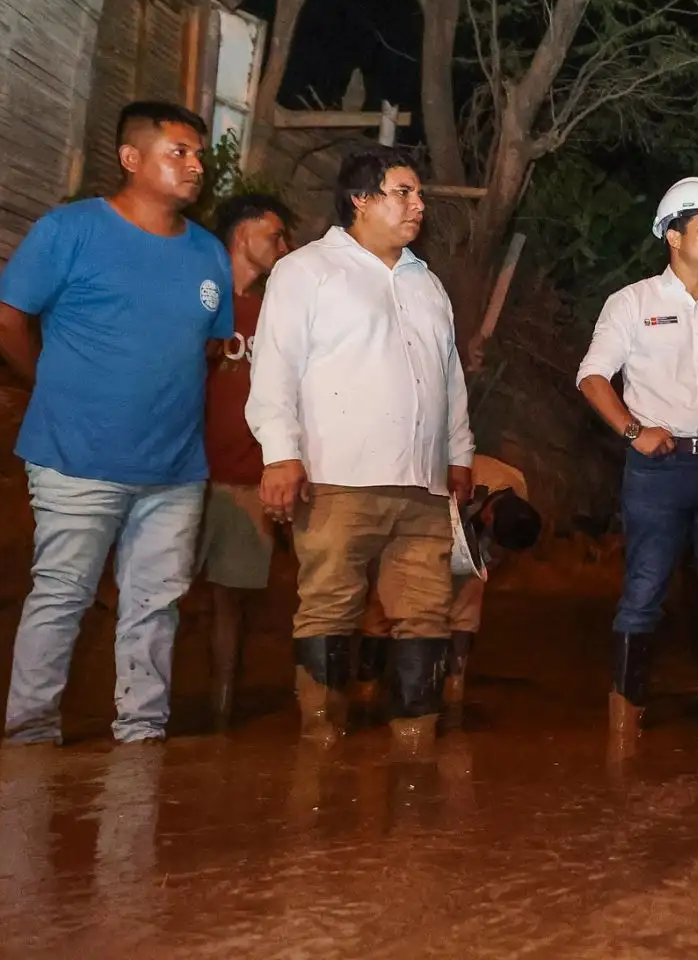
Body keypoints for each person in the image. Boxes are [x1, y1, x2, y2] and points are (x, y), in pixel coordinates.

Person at [0, 101, 233, 744]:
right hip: (75, 455)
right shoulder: (72, 230)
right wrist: (52, 385)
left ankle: (141, 738)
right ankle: (30, 737)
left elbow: (208, 347)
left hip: (175, 470)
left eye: (198, 153)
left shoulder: (207, 253)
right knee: (61, 597)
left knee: (156, 606)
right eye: (179, 151)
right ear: (131, 159)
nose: (195, 165)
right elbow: (2, 319)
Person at [247, 147, 475, 756]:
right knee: (329, 607)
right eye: (403, 192)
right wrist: (280, 453)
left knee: (426, 615)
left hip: (422, 486)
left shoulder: (426, 283)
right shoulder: (306, 271)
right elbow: (275, 369)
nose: (417, 205)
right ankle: (321, 741)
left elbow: (448, 375)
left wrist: (458, 453)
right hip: (337, 477)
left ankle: (414, 749)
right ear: (361, 200)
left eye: (418, 194)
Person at [575, 176, 698, 743]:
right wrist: (632, 430)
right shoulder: (633, 303)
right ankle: (624, 722)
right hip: (658, 469)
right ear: (673, 235)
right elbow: (592, 377)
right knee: (644, 589)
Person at [356, 450, 542, 730]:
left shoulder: (516, 485)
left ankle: (453, 692)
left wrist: (482, 554)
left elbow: (491, 552)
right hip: (419, 514)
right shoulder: (456, 476)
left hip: (468, 541)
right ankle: (366, 693)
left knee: (468, 602)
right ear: (490, 515)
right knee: (385, 602)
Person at [200, 193, 294, 728]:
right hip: (183, 471)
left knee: (231, 604)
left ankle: (219, 718)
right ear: (242, 235)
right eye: (274, 236)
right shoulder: (202, 298)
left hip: (247, 477)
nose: (284, 247)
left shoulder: (275, 315)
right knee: (156, 594)